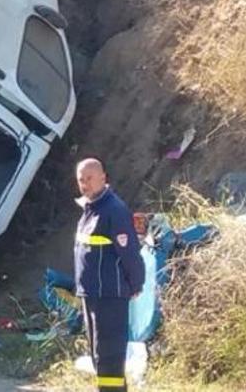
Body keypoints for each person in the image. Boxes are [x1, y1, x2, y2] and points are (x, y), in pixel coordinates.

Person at [73, 158, 144, 392]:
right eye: (81, 180)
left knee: (110, 356)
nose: (85, 184)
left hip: (110, 295)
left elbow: (130, 252)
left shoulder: (114, 210)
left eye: (89, 179)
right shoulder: (90, 209)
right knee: (99, 356)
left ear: (103, 178)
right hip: (91, 293)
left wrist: (136, 283)